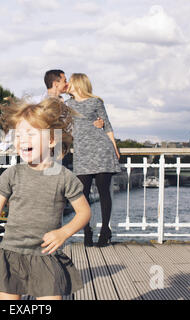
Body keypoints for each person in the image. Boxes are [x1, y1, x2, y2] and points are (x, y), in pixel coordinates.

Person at [0, 97, 92, 300]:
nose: (22, 140)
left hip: (46, 257)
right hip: (11, 254)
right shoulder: (12, 174)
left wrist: (64, 233)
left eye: (31, 133)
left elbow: (84, 212)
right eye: (18, 135)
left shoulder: (63, 177)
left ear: (52, 139)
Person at [0, 69, 104, 155]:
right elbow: (19, 125)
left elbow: (82, 122)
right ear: (56, 84)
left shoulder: (69, 104)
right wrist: (2, 146)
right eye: (65, 80)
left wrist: (98, 123)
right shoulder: (35, 102)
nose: (67, 83)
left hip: (63, 152)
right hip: (40, 152)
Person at [66, 73, 121, 247]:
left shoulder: (96, 102)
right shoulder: (67, 105)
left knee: (104, 192)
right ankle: (87, 230)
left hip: (101, 150)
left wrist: (114, 147)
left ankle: (105, 231)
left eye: (70, 81)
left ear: (78, 84)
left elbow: (107, 125)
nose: (67, 84)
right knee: (82, 194)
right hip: (82, 153)